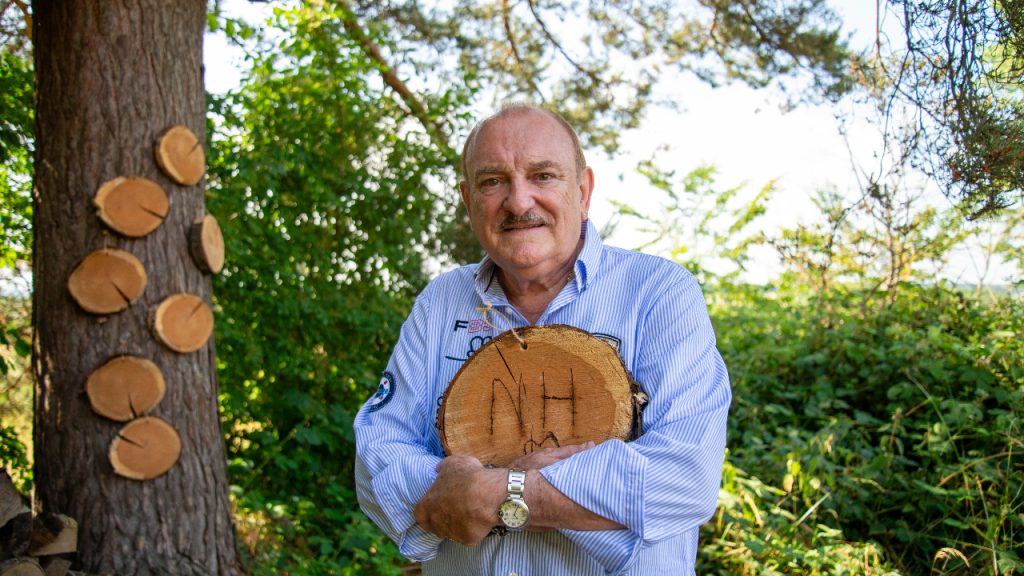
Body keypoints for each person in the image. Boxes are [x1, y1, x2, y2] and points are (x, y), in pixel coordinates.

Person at [354, 104, 731, 575]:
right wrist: (579, 489)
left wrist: (493, 493)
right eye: (493, 181)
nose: (518, 202)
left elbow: (683, 478)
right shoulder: (440, 302)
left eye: (543, 176)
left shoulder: (658, 293)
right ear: (469, 201)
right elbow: (376, 459)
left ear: (583, 190)